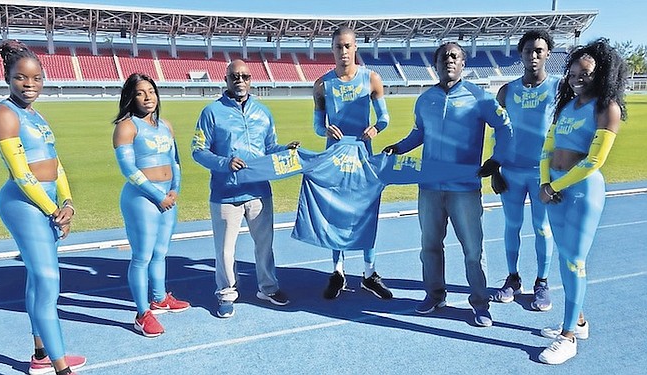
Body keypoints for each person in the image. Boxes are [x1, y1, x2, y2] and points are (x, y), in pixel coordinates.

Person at [382, 42, 513, 327]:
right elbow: (419, 133)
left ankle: (480, 303)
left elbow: (504, 127)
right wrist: (399, 148)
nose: (449, 60)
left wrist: (497, 159)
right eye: (444, 57)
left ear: (463, 63)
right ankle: (434, 294)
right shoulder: (425, 100)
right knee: (429, 245)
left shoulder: (480, 98)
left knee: (472, 250)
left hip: (464, 188)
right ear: (436, 64)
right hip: (429, 186)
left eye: (455, 56)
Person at [0, 40, 85, 375]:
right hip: (23, 203)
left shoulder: (36, 115)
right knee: (47, 280)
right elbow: (22, 173)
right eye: (21, 78)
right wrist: (52, 209)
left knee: (37, 279)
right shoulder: (4, 114)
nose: (29, 84)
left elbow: (55, 165)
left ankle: (41, 355)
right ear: (7, 77)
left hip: (47, 203)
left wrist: (66, 202)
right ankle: (61, 368)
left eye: (36, 78)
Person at [537, 38, 628, 365]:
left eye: (585, 73)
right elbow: (548, 146)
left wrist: (555, 185)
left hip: (581, 191)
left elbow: (594, 161)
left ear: (601, 73)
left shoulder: (607, 108)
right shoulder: (566, 105)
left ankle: (569, 337)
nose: (577, 78)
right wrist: (544, 181)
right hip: (555, 190)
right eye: (573, 72)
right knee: (565, 258)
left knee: (574, 262)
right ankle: (579, 320)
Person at [191, 59, 299, 318]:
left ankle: (268, 288)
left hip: (260, 191)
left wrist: (286, 150)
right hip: (225, 193)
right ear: (226, 80)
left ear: (251, 80)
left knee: (265, 245)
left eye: (245, 76)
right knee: (225, 249)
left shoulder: (263, 112)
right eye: (234, 77)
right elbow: (198, 151)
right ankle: (227, 293)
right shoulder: (211, 112)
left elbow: (269, 148)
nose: (240, 81)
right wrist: (224, 163)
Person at [312, 25, 393, 300]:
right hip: (334, 158)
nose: (343, 51)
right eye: (338, 46)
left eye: (348, 46)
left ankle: (369, 273)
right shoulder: (322, 84)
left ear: (355, 47)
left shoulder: (371, 79)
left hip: (363, 158)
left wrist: (375, 129)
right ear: (332, 49)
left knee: (366, 214)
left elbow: (384, 118)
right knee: (337, 213)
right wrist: (325, 130)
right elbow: (317, 125)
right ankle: (338, 271)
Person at [113, 73, 190, 338]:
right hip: (142, 199)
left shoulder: (165, 125)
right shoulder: (127, 126)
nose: (148, 98)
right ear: (130, 98)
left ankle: (160, 298)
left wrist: (174, 190)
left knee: (161, 251)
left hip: (168, 197)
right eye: (140, 93)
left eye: (151, 92)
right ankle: (142, 313)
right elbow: (128, 169)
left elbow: (175, 161)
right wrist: (157, 196)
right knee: (142, 256)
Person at [492, 30, 558, 311]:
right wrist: (495, 167)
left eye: (539, 50)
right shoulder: (507, 91)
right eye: (529, 50)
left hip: (543, 174)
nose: (533, 55)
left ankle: (541, 282)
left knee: (542, 229)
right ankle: (513, 278)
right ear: (520, 54)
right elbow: (497, 132)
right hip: (511, 171)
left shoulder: (559, 88)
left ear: (548, 55)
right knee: (512, 226)